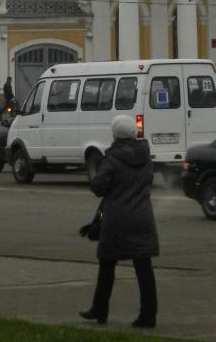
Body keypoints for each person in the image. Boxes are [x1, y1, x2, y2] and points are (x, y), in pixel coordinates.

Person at [80, 115, 159, 329]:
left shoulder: (113, 159)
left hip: (117, 218)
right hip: (143, 217)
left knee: (107, 264)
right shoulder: (146, 156)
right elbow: (149, 181)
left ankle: (99, 309)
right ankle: (148, 315)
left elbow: (98, 187)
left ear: (115, 135)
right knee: (144, 268)